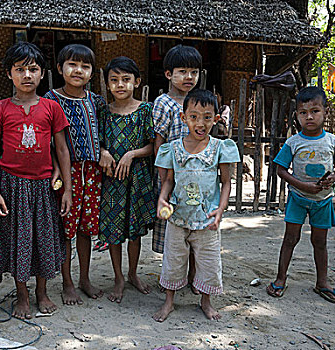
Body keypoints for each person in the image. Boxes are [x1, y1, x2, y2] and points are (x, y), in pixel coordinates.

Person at [0, 42, 72, 319]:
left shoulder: (51, 107)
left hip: (44, 185)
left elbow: (61, 149)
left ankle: (41, 292)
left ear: (42, 74)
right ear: (9, 74)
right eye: (20, 69)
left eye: (33, 69)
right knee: (18, 241)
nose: (27, 76)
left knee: (43, 239)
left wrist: (67, 188)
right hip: (11, 185)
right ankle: (21, 295)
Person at [153, 89, 240, 322]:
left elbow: (225, 183)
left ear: (216, 119)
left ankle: (206, 302)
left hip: (207, 220)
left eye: (207, 117)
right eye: (194, 116)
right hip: (177, 218)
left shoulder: (220, 148)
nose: (200, 123)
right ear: (183, 118)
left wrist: (220, 210)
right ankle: (169, 301)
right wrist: (162, 199)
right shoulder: (172, 148)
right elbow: (169, 181)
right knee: (172, 260)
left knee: (209, 262)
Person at [266, 86, 335, 303]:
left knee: (320, 241)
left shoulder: (334, 142)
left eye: (315, 111)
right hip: (297, 198)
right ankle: (280, 279)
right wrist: (302, 185)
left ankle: (322, 282)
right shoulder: (293, 142)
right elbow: (281, 170)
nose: (309, 117)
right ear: (297, 115)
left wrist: (333, 178)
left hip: (322, 201)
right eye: (303, 112)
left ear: (325, 112)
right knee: (290, 239)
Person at [44, 44, 106, 305]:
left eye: (85, 66)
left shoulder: (96, 102)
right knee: (65, 230)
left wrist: (104, 150)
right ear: (60, 68)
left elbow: (104, 134)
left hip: (91, 173)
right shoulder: (49, 100)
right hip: (64, 174)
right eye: (72, 64)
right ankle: (67, 282)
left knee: (85, 229)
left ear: (92, 72)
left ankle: (84, 278)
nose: (78, 70)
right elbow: (46, 141)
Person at [97, 57, 156, 303]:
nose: (120, 85)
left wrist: (132, 154)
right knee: (113, 231)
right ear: (108, 84)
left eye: (125, 79)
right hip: (111, 180)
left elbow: (153, 146)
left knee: (134, 232)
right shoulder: (104, 111)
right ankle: (118, 277)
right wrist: (104, 152)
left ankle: (132, 273)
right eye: (114, 80)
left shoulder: (145, 110)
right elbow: (97, 142)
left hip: (137, 179)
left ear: (137, 82)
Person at [153, 44, 202, 294]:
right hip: (171, 177)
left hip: (198, 176)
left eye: (194, 72)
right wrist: (162, 177)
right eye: (182, 71)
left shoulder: (199, 102)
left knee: (196, 226)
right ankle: (171, 276)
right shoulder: (163, 103)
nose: (189, 78)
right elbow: (159, 142)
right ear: (169, 74)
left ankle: (193, 275)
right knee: (172, 230)